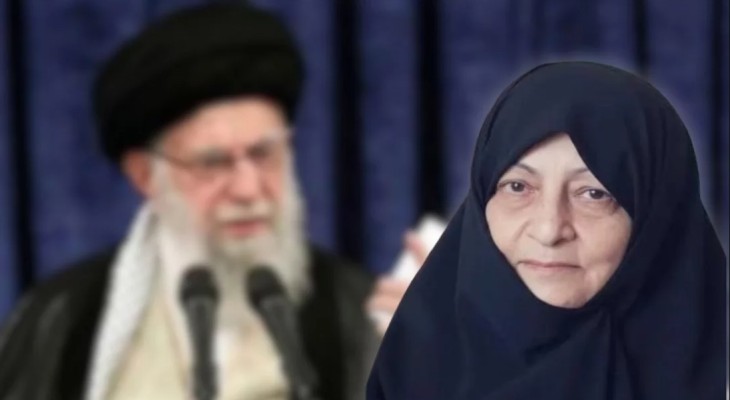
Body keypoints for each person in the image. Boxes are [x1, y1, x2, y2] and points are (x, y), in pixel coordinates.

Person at [0, 3, 422, 399]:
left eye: (264, 154)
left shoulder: (353, 314)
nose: (247, 189)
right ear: (144, 175)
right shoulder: (60, 321)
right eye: (213, 163)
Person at [366, 62, 728, 399]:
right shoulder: (411, 371)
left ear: (658, 219)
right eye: (518, 187)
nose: (549, 230)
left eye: (594, 194)